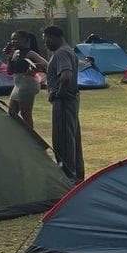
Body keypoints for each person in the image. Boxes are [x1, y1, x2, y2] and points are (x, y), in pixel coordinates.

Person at [42, 25, 84, 182]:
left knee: (63, 140)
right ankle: (78, 178)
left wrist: (57, 93)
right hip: (71, 99)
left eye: (46, 39)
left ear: (54, 37)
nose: (45, 43)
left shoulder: (61, 53)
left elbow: (66, 76)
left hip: (64, 101)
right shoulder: (67, 51)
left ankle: (68, 180)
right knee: (73, 139)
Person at [3, 30, 46, 131]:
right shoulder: (15, 53)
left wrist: (35, 70)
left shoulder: (30, 53)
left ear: (25, 40)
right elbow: (10, 72)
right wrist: (9, 56)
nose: (13, 41)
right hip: (18, 85)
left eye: (16, 39)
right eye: (12, 39)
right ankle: (20, 134)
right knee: (12, 112)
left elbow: (46, 65)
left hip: (28, 84)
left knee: (25, 113)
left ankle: (31, 139)